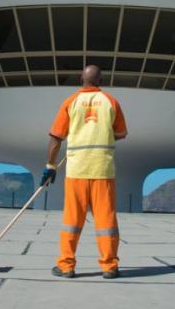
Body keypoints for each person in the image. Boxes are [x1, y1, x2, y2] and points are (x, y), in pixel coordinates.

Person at [42, 65, 127, 279]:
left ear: (82, 78)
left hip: (77, 170)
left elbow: (55, 137)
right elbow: (121, 133)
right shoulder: (111, 102)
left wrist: (50, 166)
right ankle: (109, 266)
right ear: (101, 79)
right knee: (106, 220)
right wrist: (102, 135)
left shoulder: (70, 102)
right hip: (103, 171)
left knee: (72, 219)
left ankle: (66, 265)